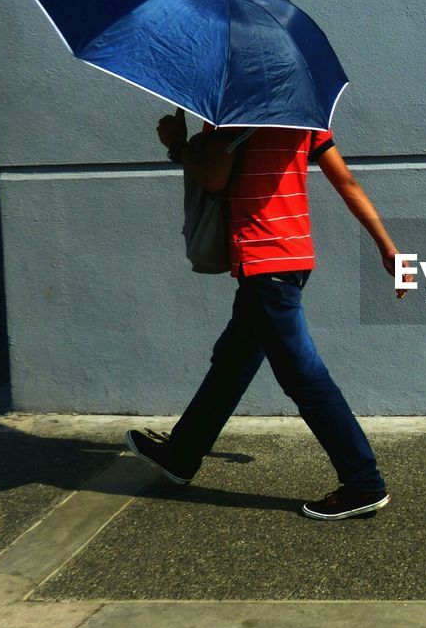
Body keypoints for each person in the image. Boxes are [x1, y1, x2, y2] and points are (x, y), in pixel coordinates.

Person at [124, 107, 407, 521]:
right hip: (294, 257)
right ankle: (182, 454)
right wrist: (387, 246)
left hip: (264, 262)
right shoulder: (303, 115)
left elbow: (214, 177)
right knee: (233, 362)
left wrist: (178, 146)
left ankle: (364, 483)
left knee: (302, 375)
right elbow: (345, 180)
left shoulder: (236, 115)